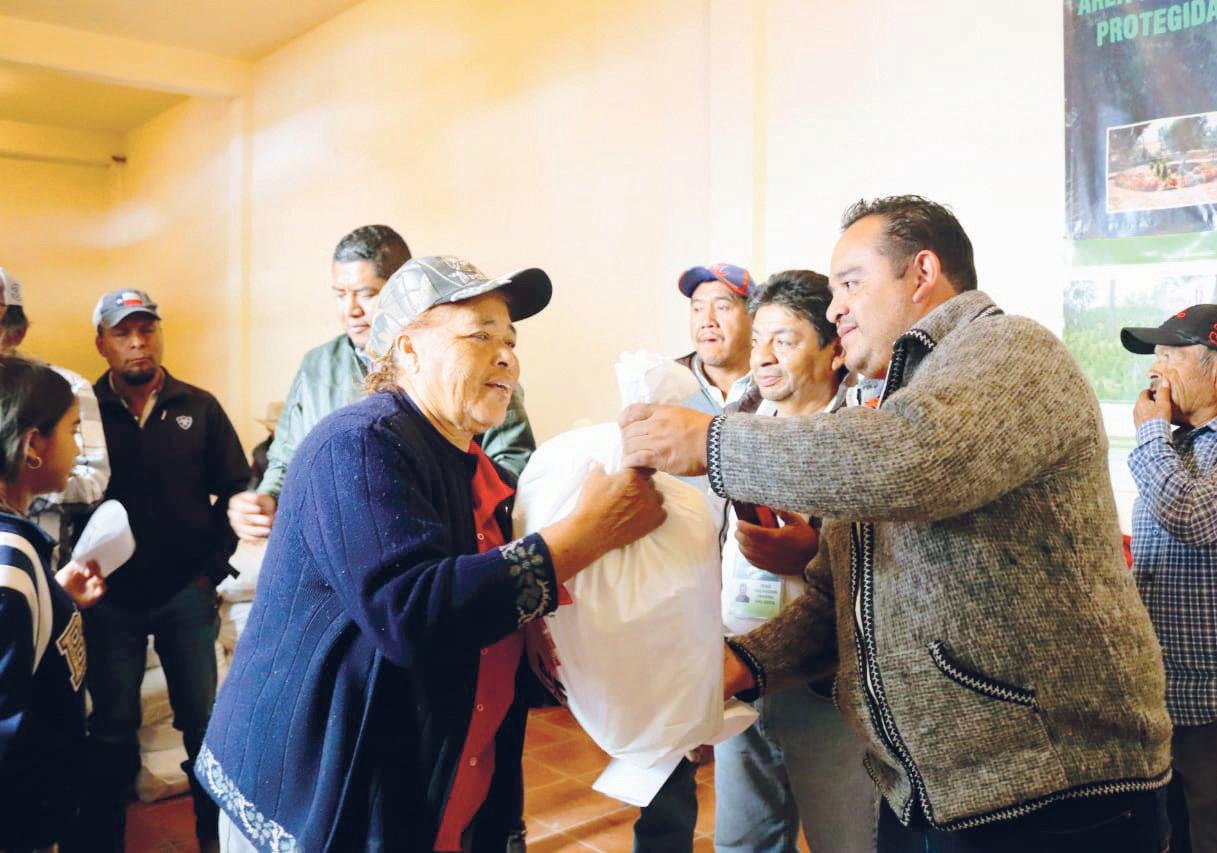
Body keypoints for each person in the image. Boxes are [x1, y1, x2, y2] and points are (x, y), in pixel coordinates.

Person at [620, 196, 1172, 852]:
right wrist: (739, 664)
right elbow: (841, 597)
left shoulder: (1011, 348)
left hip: (1051, 790)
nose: (834, 309)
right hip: (924, 789)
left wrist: (713, 442)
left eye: (850, 283)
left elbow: (917, 460)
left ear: (922, 273)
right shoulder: (895, 402)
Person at [197, 256, 666, 852]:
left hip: (421, 780)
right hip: (316, 785)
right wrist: (589, 533)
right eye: (480, 336)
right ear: (409, 350)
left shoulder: (469, 462)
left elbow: (486, 601)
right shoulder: (359, 443)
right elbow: (411, 613)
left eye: (510, 341)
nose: (507, 357)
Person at [68, 289, 250, 853]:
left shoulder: (200, 406)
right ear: (102, 343)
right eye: (123, 333)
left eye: (146, 329)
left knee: (205, 726)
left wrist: (211, 569)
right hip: (111, 602)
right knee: (112, 730)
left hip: (186, 594)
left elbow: (236, 488)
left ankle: (212, 841)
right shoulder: (82, 414)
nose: (137, 342)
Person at [227, 225, 536, 542]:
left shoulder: (481, 372)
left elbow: (512, 471)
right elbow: (286, 457)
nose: (351, 310)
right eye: (340, 295)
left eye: (367, 294)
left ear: (403, 294)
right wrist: (266, 499)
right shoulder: (317, 367)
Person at [713, 270, 875, 853]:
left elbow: (892, 563)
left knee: (846, 841)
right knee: (741, 842)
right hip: (739, 670)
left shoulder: (863, 435)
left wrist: (814, 555)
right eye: (758, 339)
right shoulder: (737, 426)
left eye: (783, 341)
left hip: (824, 685)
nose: (763, 357)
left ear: (834, 350)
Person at [0, 357, 106, 850]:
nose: (79, 448)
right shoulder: (9, 564)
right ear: (33, 446)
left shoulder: (19, 553)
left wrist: (57, 599)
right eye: (72, 430)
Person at [1122, 305, 1217, 853]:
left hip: (1211, 708)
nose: (1154, 367)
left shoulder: (1159, 443)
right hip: (1162, 699)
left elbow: (1191, 517)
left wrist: (1151, 431)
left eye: (1170, 353)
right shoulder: (1176, 446)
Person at [0, 267, 110, 567]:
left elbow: (92, 481)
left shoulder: (64, 388)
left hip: (40, 561)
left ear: (17, 333)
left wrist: (22, 487)